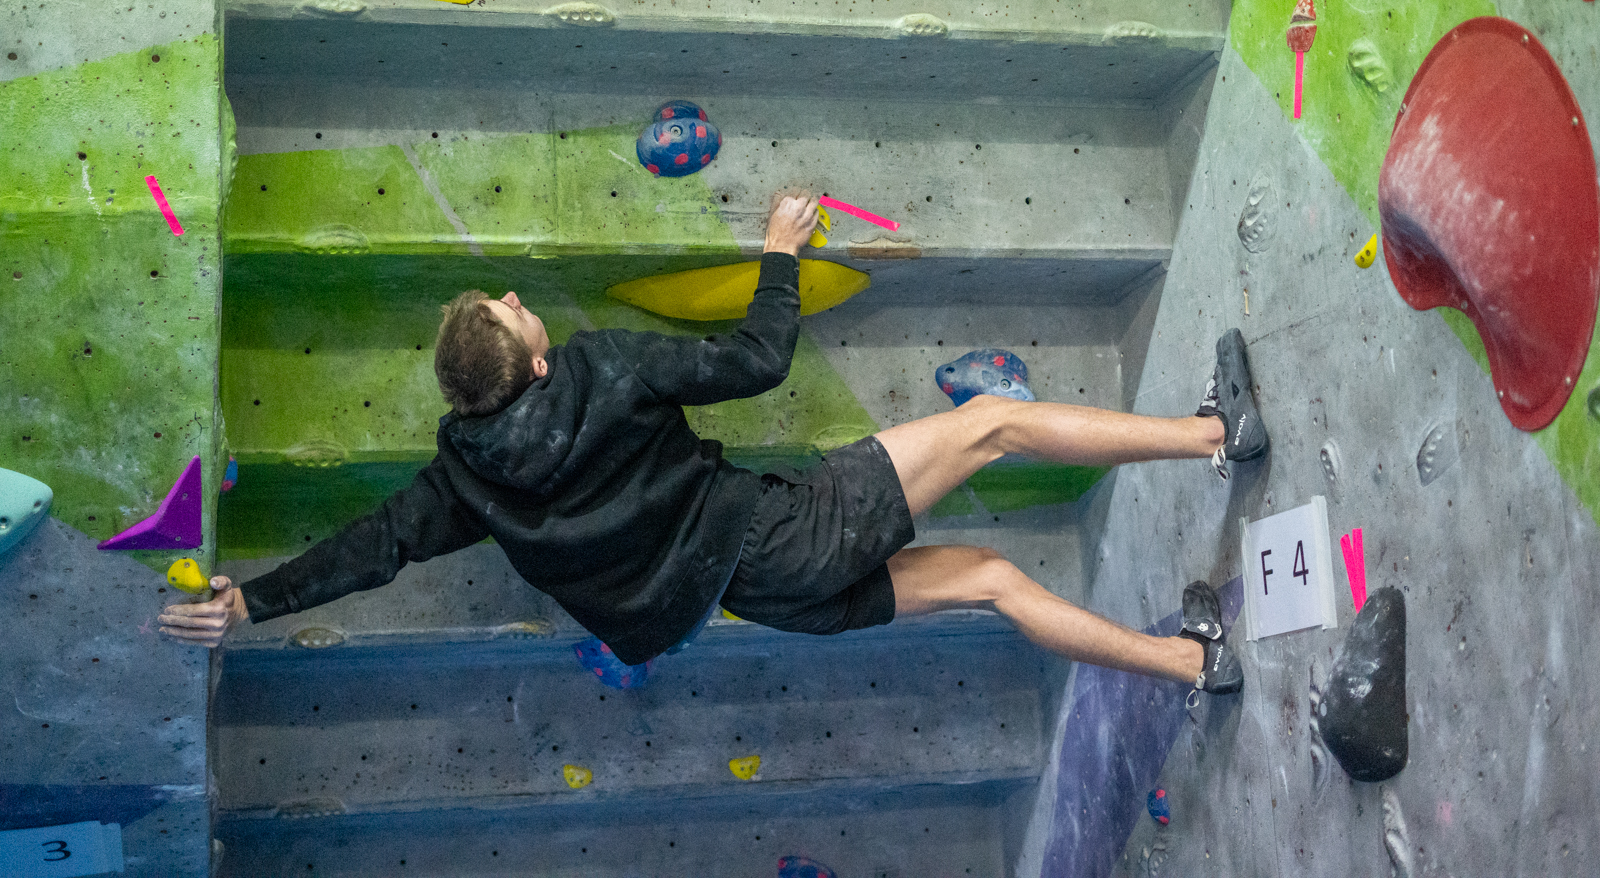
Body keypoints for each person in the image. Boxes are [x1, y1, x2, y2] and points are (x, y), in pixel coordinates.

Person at [160, 190, 1267, 700]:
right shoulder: (600, 366)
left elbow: (372, 547)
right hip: (783, 534)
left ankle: (1194, 662)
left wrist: (253, 601)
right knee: (993, 423)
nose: (518, 300)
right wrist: (780, 251)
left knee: (988, 579)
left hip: (751, 596)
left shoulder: (461, 481)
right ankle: (1216, 431)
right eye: (512, 312)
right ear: (528, 365)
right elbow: (757, 359)